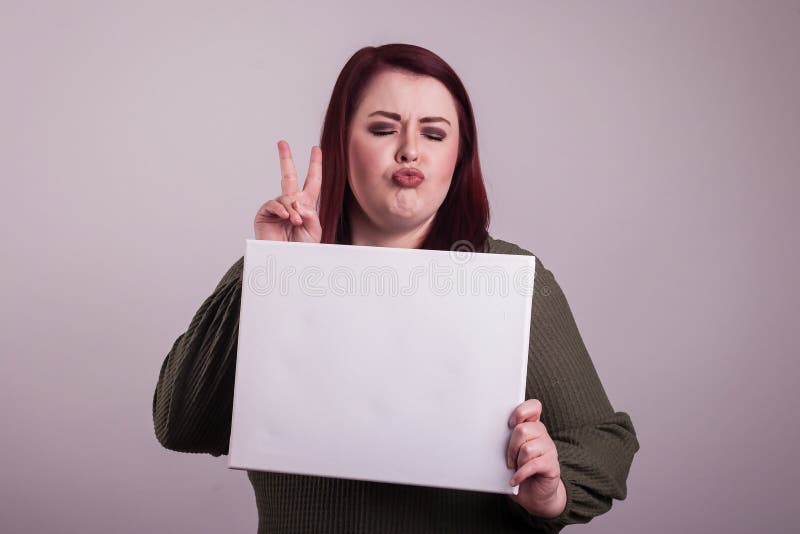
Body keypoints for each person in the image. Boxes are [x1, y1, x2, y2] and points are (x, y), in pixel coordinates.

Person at [152, 43, 639, 533]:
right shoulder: (282, 270)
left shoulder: (510, 278)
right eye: (384, 129)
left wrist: (551, 491)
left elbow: (604, 441)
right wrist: (273, 271)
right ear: (343, 144)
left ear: (459, 156)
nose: (410, 149)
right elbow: (180, 424)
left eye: (433, 133)